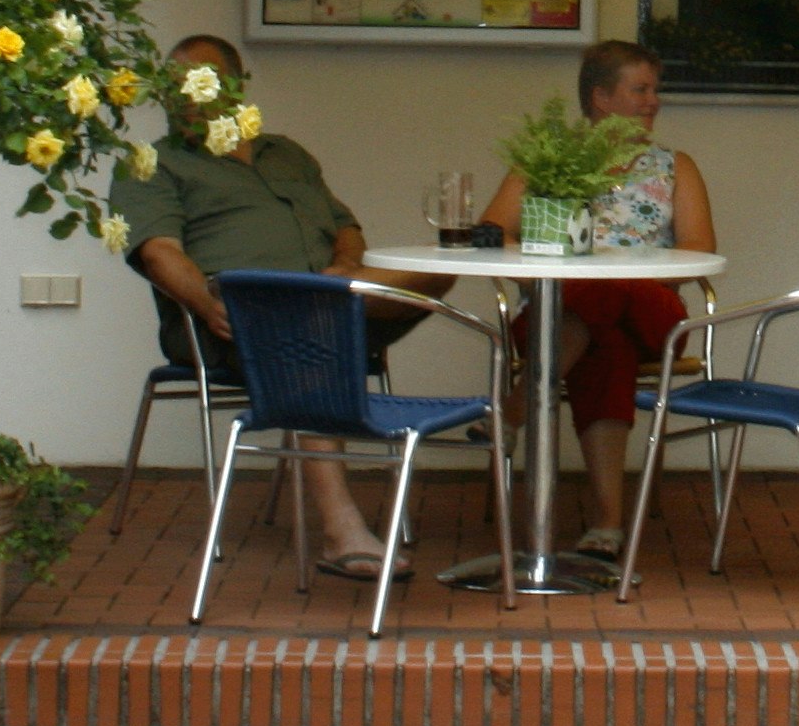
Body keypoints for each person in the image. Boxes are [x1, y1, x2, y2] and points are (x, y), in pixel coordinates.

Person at [107, 34, 455, 581]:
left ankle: (339, 303)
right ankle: (341, 532)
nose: (184, 99)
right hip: (230, 320)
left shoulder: (286, 152)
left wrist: (344, 264)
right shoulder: (153, 163)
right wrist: (205, 301)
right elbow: (159, 252)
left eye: (198, 84)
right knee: (298, 327)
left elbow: (346, 225)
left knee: (439, 271)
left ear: (237, 86)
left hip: (334, 301)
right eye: (173, 89)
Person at [480, 38, 712, 557]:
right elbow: (493, 232)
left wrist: (610, 268)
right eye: (641, 89)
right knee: (606, 348)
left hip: (653, 313)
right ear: (601, 98)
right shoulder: (549, 162)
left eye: (655, 89)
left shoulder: (676, 166)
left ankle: (513, 410)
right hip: (559, 314)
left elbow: (700, 248)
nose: (654, 101)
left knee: (608, 292)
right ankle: (607, 526)